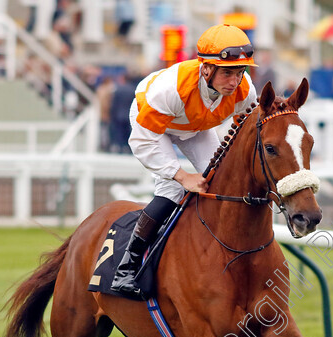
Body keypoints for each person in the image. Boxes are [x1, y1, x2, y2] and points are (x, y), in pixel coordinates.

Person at [110, 24, 258, 296]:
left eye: (240, 72)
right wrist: (182, 175)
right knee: (173, 188)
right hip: (154, 126)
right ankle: (126, 269)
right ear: (205, 69)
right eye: (227, 72)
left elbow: (245, 133)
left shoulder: (245, 92)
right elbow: (143, 141)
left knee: (220, 181)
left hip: (195, 127)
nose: (234, 81)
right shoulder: (170, 90)